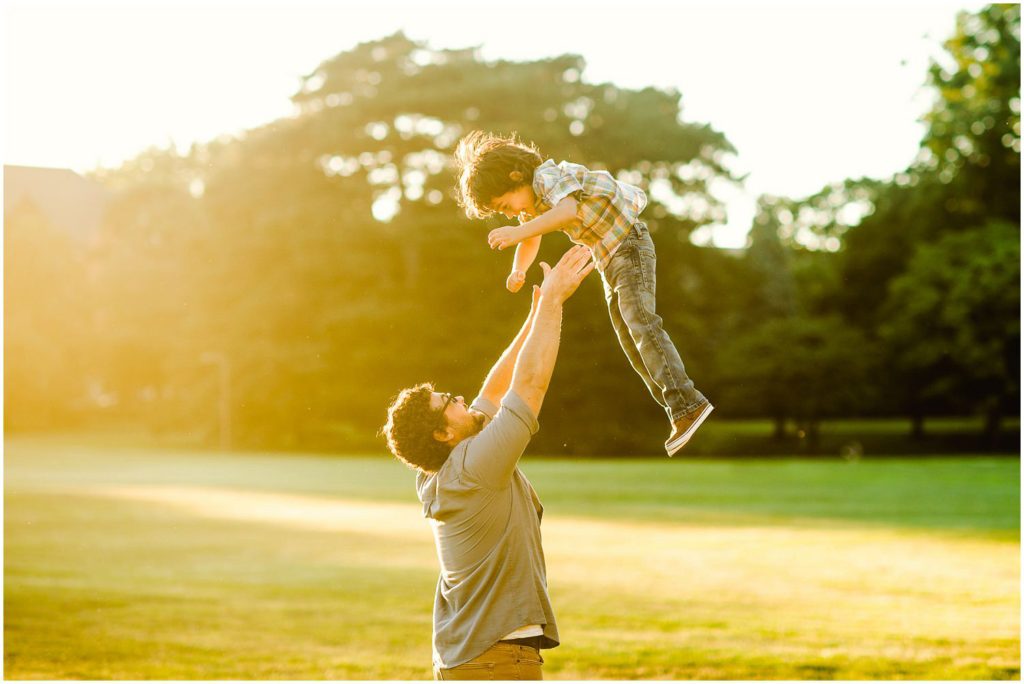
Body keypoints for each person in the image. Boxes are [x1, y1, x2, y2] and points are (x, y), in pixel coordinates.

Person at [381, 245, 594, 680]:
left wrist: (535, 316)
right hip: (500, 659)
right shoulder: (476, 466)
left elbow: (493, 391)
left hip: (465, 659)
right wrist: (553, 302)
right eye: (449, 402)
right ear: (443, 433)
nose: (461, 398)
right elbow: (528, 387)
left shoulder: (446, 470)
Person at [453, 130, 714, 456]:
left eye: (505, 205)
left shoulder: (547, 177)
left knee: (641, 322)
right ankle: (677, 408)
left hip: (629, 244)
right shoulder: (531, 205)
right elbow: (531, 239)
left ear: (515, 176)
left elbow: (567, 213)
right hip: (609, 258)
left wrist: (518, 230)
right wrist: (517, 269)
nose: (508, 214)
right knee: (628, 337)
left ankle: (687, 403)